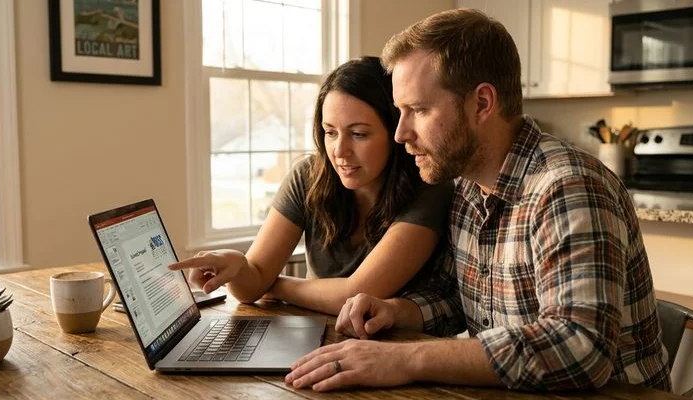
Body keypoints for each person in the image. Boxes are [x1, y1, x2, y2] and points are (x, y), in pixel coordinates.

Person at [285, 9, 672, 393]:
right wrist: (397, 311)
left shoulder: (567, 187)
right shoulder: (468, 188)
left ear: (482, 103)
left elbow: (578, 347)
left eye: (418, 110)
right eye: (400, 112)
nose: (401, 133)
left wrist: (405, 358)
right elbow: (463, 298)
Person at [169, 56, 452, 316]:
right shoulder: (307, 176)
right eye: (330, 132)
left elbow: (356, 293)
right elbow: (249, 287)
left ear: (396, 132)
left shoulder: (428, 187)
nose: (339, 150)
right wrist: (239, 267)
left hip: (396, 351)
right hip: (316, 338)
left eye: (358, 134)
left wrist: (272, 285)